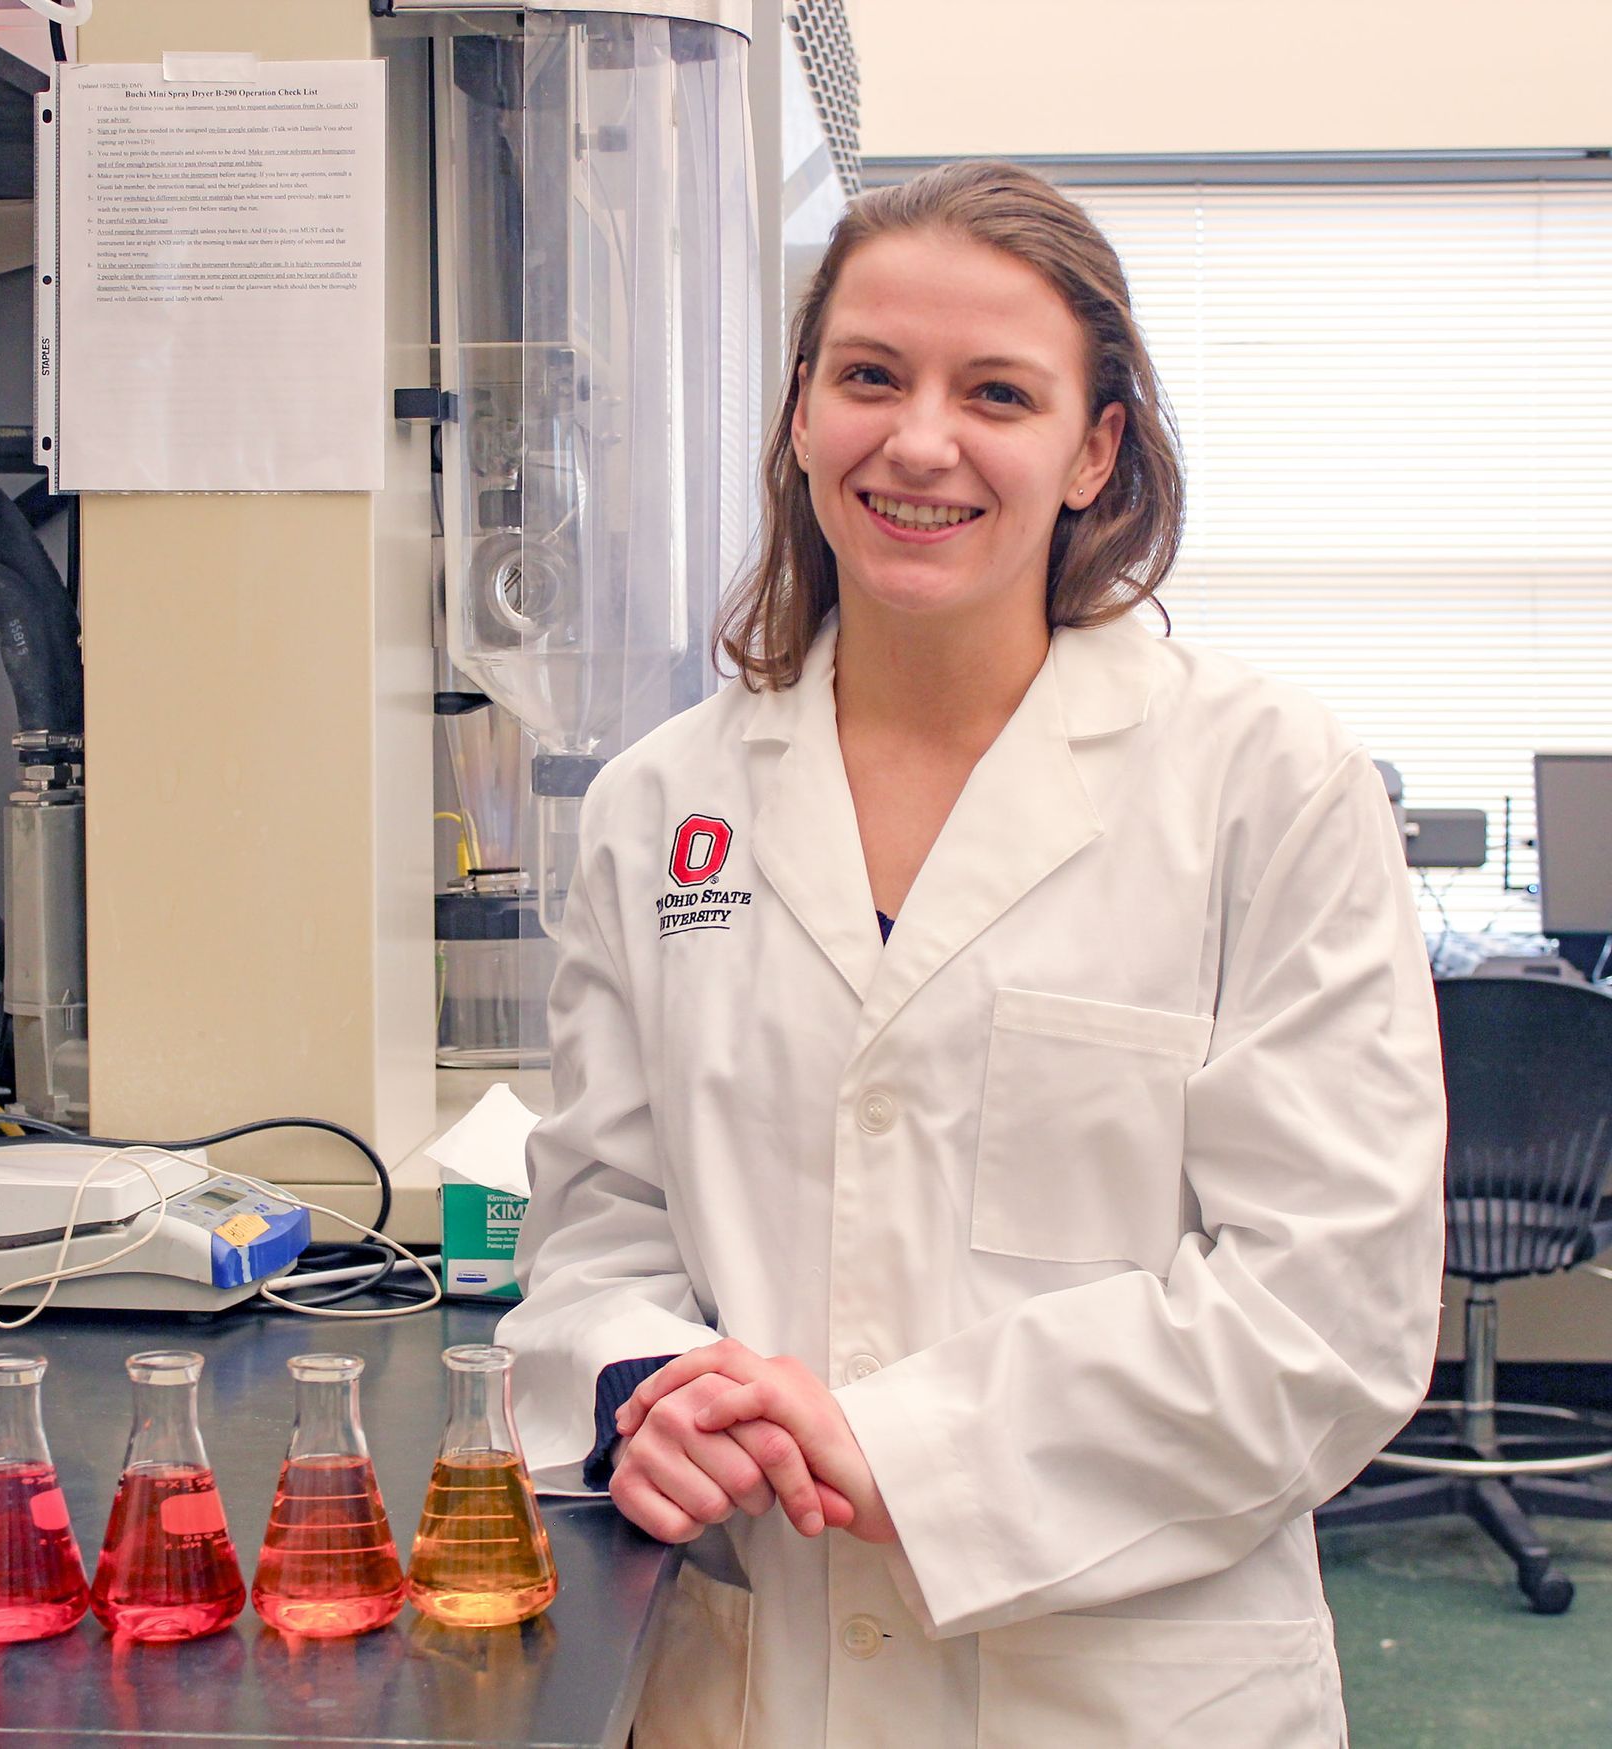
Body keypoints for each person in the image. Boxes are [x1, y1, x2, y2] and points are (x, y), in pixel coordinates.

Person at [496, 160, 1446, 1747]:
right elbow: (605, 1224)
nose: (918, 440)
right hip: (756, 1674)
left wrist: (899, 1449)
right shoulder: (661, 808)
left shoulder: (1265, 783)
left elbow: (1326, 1308)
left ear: (1093, 451)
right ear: (802, 415)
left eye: (995, 392)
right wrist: (631, 1392)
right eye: (870, 375)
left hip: (1125, 1685)